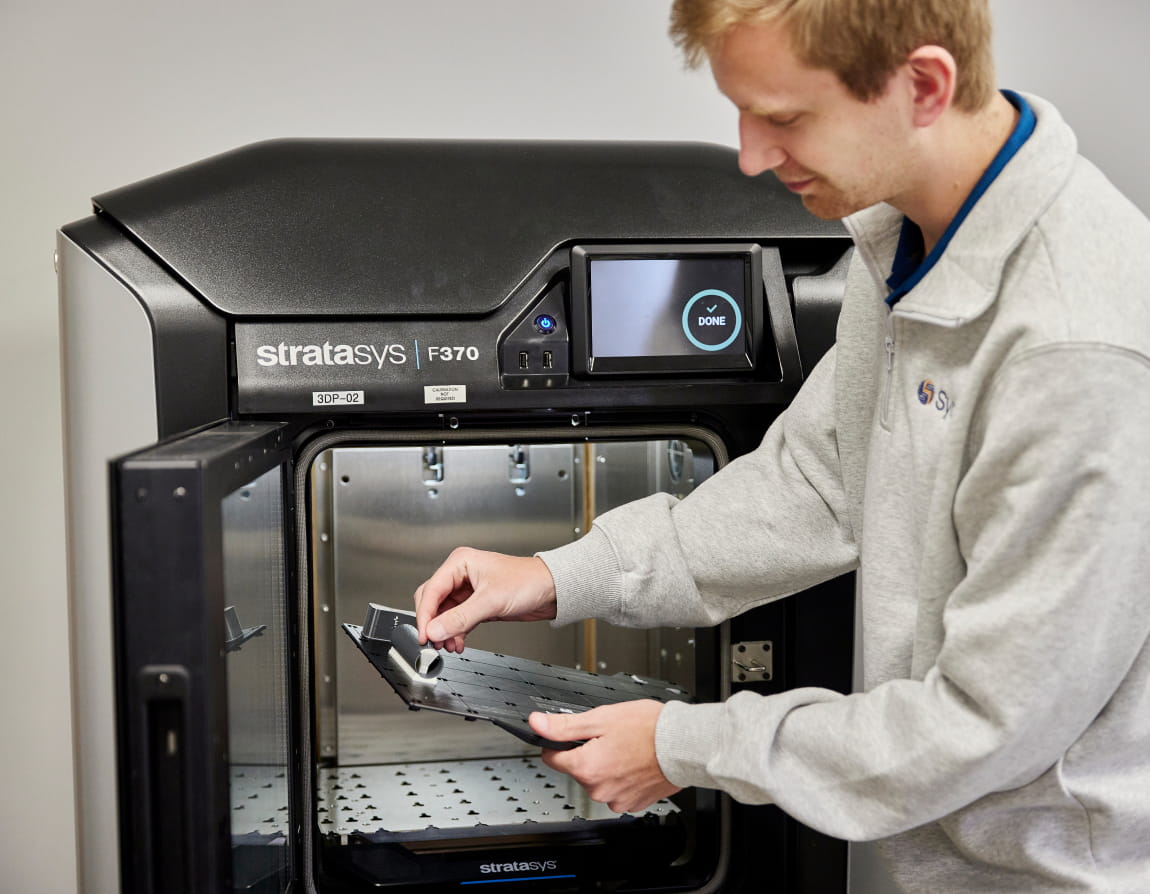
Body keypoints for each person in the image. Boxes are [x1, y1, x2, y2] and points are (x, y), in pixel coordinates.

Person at [414, 1, 1150, 889]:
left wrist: (684, 746)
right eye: (744, 112)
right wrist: (560, 576)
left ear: (923, 85)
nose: (753, 156)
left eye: (785, 118)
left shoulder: (1076, 349)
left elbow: (983, 724)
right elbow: (816, 480)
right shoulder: (913, 245)